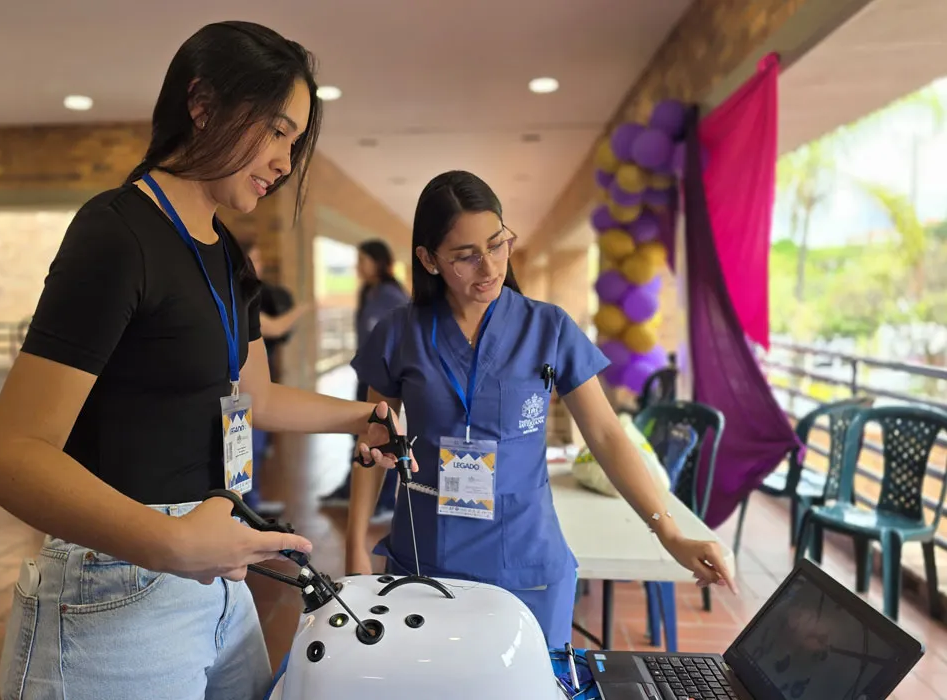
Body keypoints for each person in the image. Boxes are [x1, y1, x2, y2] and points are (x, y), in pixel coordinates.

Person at [0, 21, 411, 700]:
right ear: (202, 104)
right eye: (275, 130)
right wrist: (172, 544)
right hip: (116, 592)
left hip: (215, 578)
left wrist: (364, 417)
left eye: (294, 143)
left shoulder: (227, 253)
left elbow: (256, 397)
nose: (284, 161)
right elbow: (8, 455)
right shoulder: (117, 234)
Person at [345, 170, 736, 650]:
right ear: (428, 260)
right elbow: (374, 440)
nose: (488, 266)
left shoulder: (547, 328)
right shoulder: (399, 333)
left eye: (497, 243)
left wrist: (670, 534)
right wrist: (354, 542)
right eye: (465, 256)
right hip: (424, 560)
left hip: (526, 564)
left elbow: (608, 436)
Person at [319, 239, 409, 521]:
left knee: (384, 436)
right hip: (367, 375)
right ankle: (351, 489)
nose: (358, 266)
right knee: (361, 433)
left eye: (362, 260)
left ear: (379, 262)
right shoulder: (369, 292)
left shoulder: (393, 296)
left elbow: (399, 341)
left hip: (385, 378)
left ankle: (382, 502)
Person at [242, 241, 310, 516]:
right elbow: (276, 327)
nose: (260, 266)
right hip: (242, 384)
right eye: (254, 259)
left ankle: (252, 505)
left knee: (254, 446)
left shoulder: (249, 296)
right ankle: (248, 509)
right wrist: (305, 307)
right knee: (247, 446)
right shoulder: (235, 298)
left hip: (255, 377)